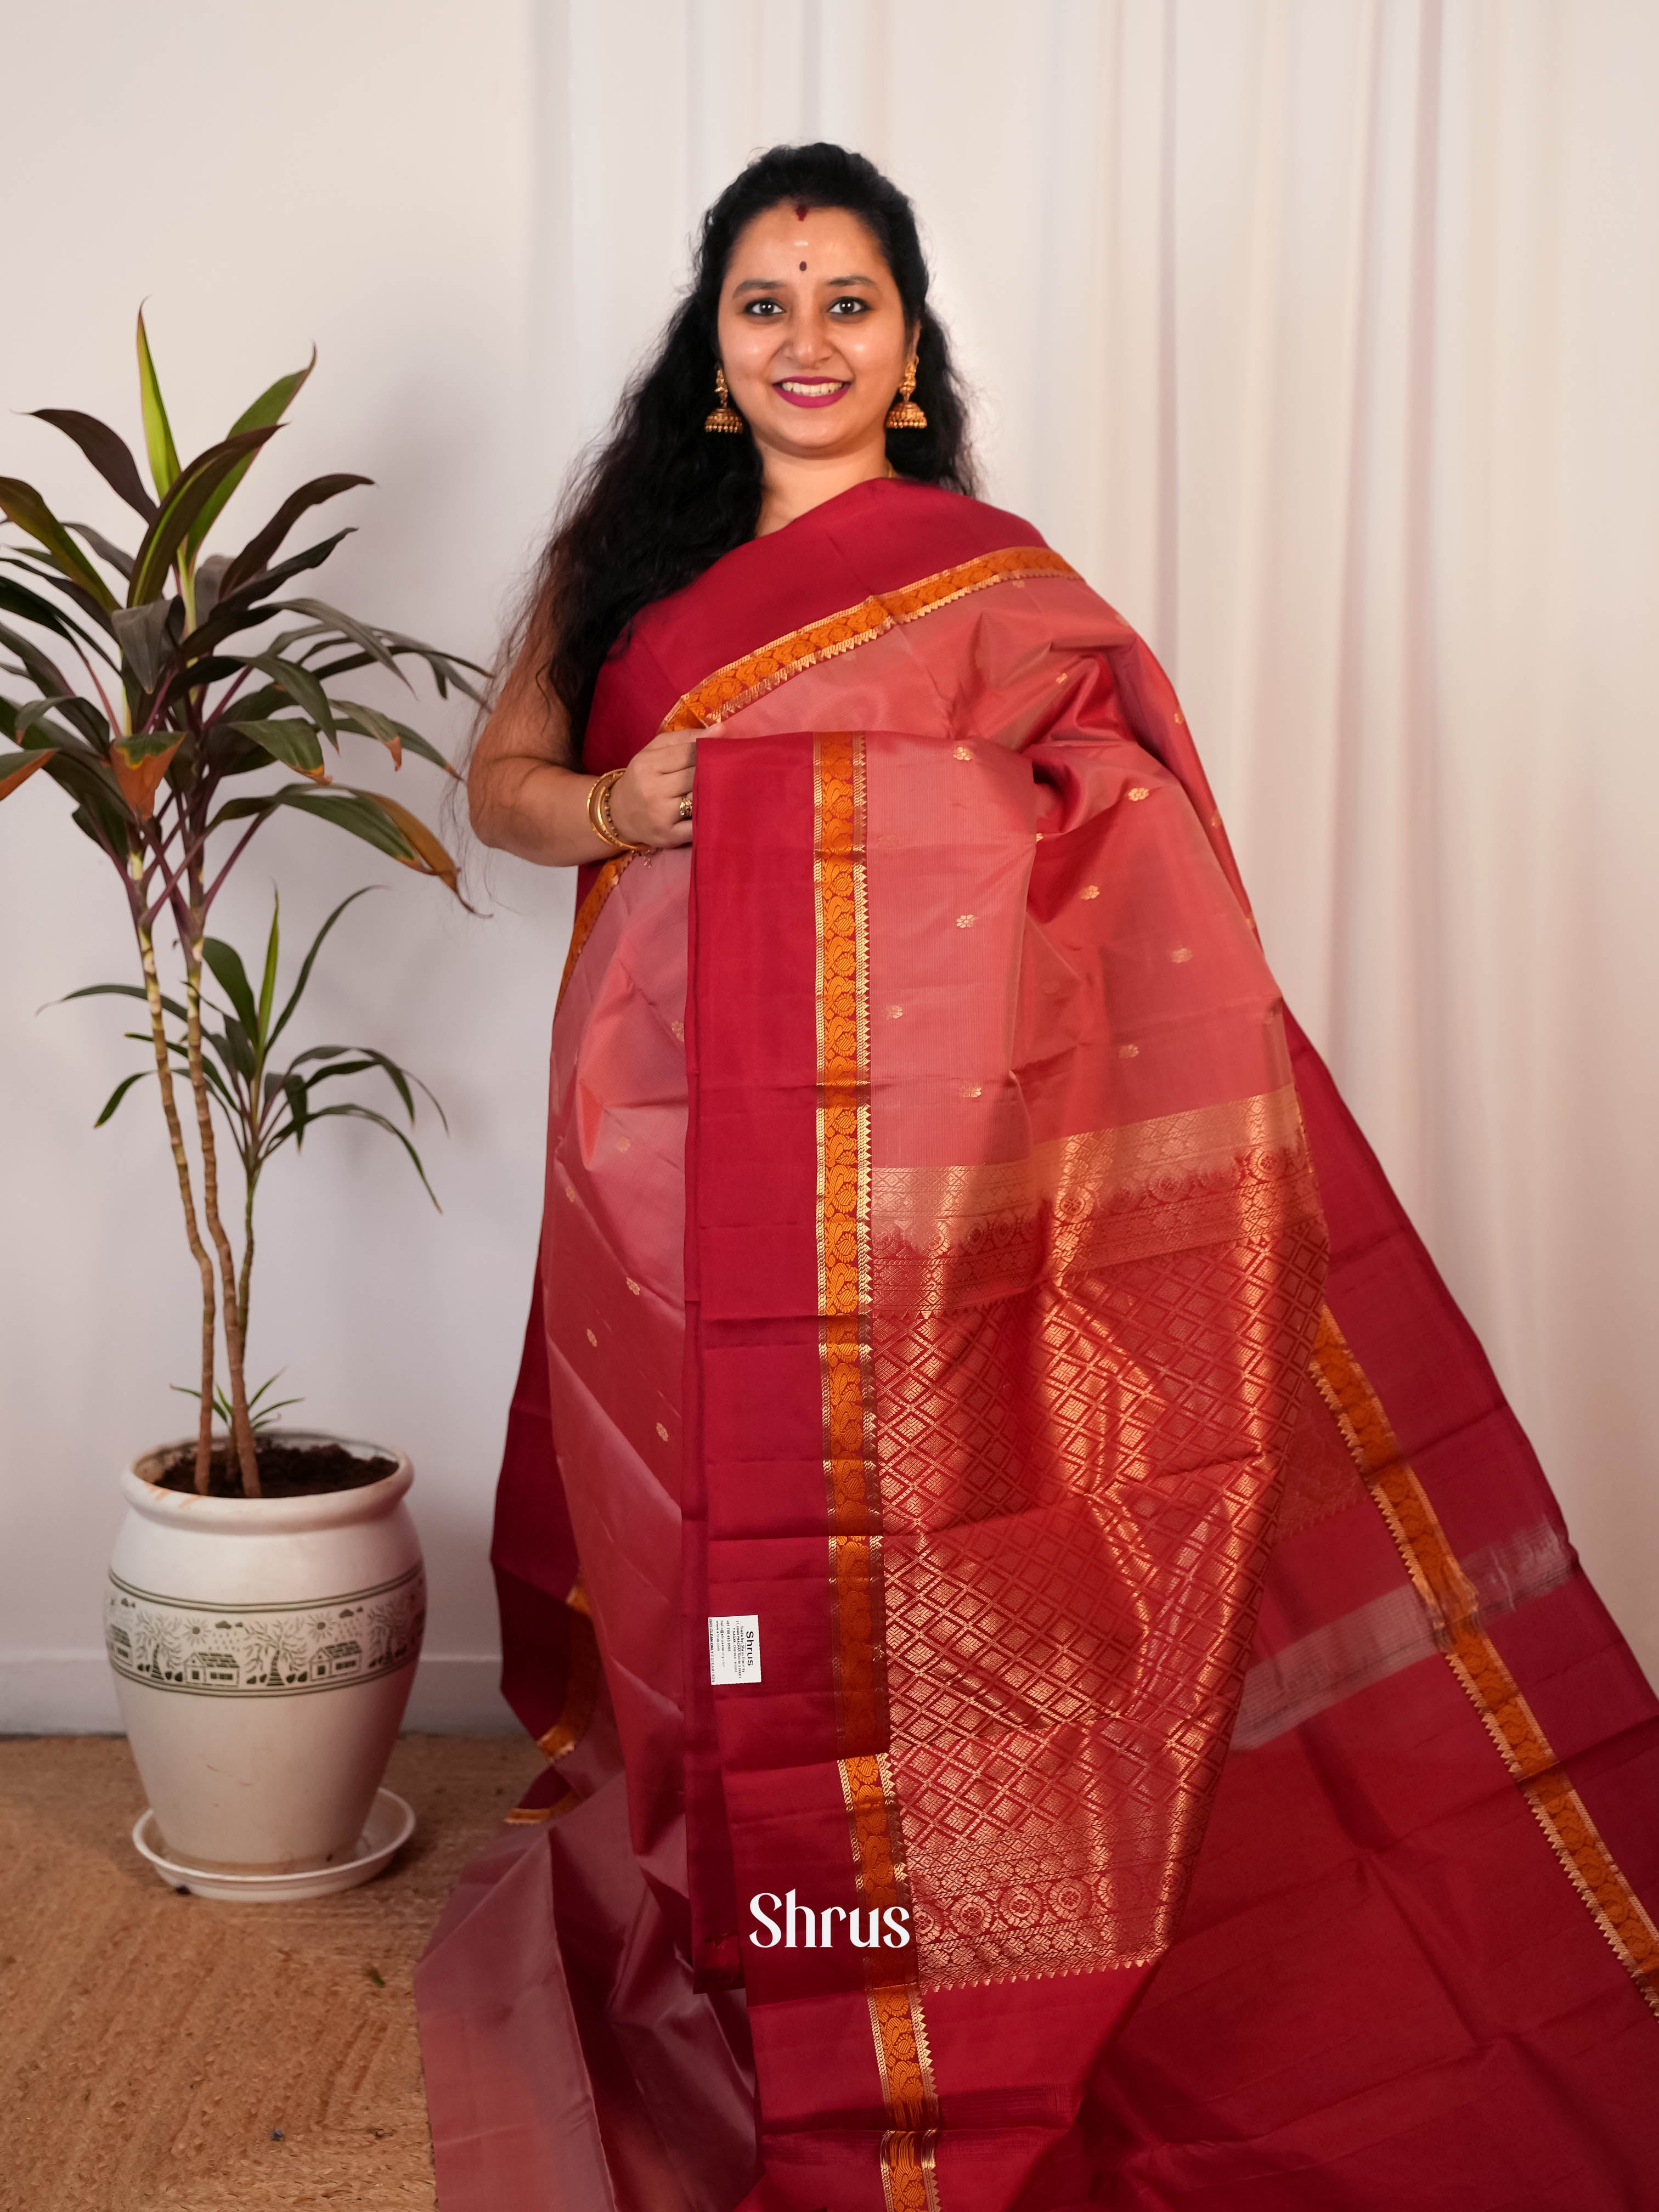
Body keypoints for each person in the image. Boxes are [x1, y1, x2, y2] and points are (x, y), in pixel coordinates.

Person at [415, 143, 1659, 2212]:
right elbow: (502, 794)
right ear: (711, 356)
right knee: (704, 1551)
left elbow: (1126, 829)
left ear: (908, 354)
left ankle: (925, 1957)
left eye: (847, 302)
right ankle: (756, 1937)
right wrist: (617, 799)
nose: (805, 337)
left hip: (930, 1182)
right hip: (665, 1151)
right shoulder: (621, 575)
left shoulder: (995, 583)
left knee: (914, 1549)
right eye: (764, 302)